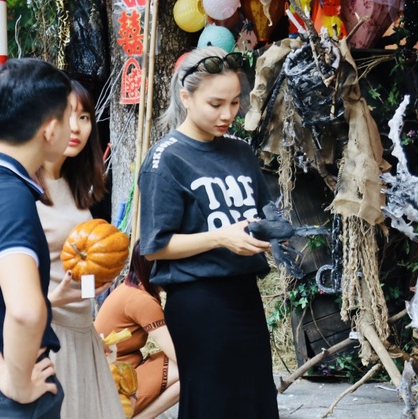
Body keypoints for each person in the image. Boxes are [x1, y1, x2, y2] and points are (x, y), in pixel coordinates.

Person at [138, 46, 279, 418]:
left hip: (245, 296)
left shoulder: (240, 151)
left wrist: (273, 232)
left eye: (235, 102)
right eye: (215, 104)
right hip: (198, 300)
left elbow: (257, 214)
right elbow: (155, 247)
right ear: (186, 97)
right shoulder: (166, 158)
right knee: (212, 406)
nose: (228, 114)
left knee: (256, 401)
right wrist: (221, 237)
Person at [0, 58, 72, 417]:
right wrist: (17, 381)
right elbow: (26, 311)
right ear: (49, 129)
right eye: (70, 115)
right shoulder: (6, 195)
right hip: (0, 384)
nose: (74, 128)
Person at [35, 79, 125, 418]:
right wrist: (54, 300)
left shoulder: (76, 185)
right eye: (67, 115)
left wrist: (95, 283)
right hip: (47, 333)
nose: (76, 127)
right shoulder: (22, 187)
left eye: (85, 117)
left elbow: (75, 263)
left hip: (82, 329)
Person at [95, 240, 180, 418]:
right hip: (114, 386)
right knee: (188, 370)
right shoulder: (141, 300)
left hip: (113, 376)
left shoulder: (130, 288)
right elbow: (179, 356)